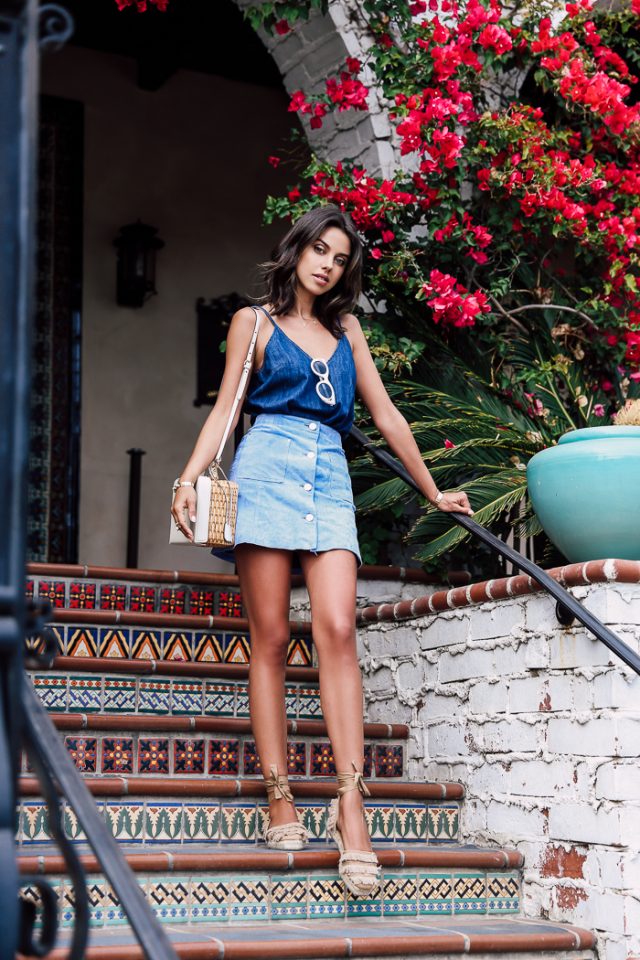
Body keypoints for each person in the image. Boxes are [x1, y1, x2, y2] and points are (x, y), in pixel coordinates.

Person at [171, 204, 473, 897]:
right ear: (297, 248)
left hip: (329, 476)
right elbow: (225, 410)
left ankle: (350, 800)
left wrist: (431, 490)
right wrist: (189, 479)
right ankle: (279, 792)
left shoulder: (347, 330)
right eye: (319, 250)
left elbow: (385, 411)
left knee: (338, 627)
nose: (327, 264)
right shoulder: (253, 323)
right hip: (267, 465)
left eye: (340, 258)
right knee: (271, 637)